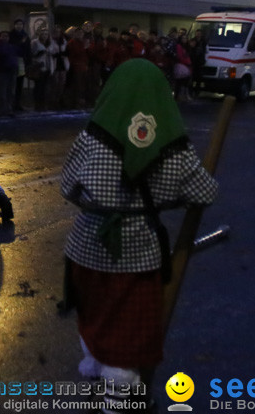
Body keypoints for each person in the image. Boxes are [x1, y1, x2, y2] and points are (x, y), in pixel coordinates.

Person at [60, 59, 217, 409]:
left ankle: (100, 371)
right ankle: (118, 396)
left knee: (97, 315)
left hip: (86, 248)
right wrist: (167, 197)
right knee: (128, 328)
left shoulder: (92, 137)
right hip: (138, 254)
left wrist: (105, 201)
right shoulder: (174, 146)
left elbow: (68, 187)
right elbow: (205, 193)